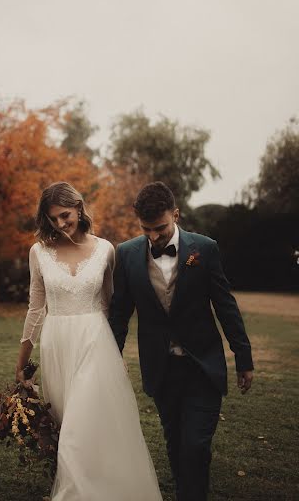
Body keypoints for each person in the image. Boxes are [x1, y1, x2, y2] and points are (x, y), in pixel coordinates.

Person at [16, 181, 163, 501]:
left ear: (79, 209)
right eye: (52, 218)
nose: (60, 223)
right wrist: (22, 364)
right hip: (57, 345)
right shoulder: (38, 252)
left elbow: (112, 306)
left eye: (65, 215)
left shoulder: (106, 250)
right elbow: (35, 308)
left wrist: (117, 352)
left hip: (96, 344)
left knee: (75, 432)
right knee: (67, 422)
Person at [109, 181, 254, 501]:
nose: (153, 237)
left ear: (175, 214)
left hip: (203, 365)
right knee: (174, 441)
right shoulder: (127, 254)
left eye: (160, 228)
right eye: (146, 230)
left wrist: (243, 358)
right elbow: (119, 315)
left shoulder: (205, 248)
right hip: (160, 368)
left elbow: (226, 306)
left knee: (196, 444)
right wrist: (109, 358)